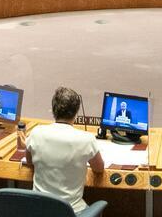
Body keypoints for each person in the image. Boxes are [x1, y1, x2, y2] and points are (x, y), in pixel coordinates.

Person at [23, 86, 104, 214]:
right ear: (76, 113)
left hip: (39, 210)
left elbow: (29, 162)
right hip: (72, 212)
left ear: (53, 110)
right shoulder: (87, 139)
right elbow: (99, 169)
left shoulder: (36, 133)